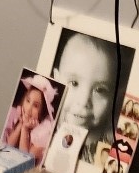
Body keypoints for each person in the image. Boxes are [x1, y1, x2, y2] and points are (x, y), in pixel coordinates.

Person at [53, 31, 132, 163]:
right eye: (74, 83)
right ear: (55, 80)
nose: (84, 101)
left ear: (115, 96)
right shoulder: (46, 124)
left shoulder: (114, 141)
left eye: (99, 90)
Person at [1, 73, 58, 164]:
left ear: (42, 112)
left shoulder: (43, 133)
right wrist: (21, 124)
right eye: (28, 101)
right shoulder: (17, 115)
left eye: (35, 106)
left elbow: (23, 160)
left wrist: (25, 129)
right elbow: (6, 148)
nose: (28, 108)